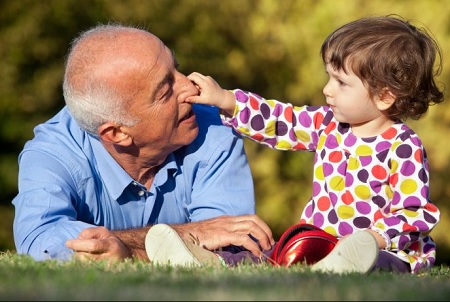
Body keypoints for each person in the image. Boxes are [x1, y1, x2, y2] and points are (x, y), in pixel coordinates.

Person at [157, 15, 443, 274]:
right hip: (319, 243)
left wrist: (375, 238)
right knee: (269, 252)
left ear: (384, 96)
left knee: (379, 263)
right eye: (329, 77)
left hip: (385, 250)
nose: (327, 90)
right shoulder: (328, 124)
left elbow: (414, 213)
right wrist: (226, 100)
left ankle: (351, 262)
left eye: (341, 83)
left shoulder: (403, 146)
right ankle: (205, 259)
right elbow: (283, 121)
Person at [11, 24, 275, 264]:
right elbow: (41, 243)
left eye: (176, 67)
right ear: (117, 133)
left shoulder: (214, 127)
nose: (191, 88)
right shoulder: (53, 153)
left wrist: (125, 249)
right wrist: (185, 235)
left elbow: (231, 248)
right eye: (164, 91)